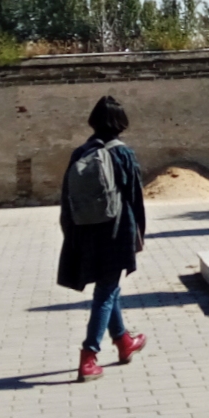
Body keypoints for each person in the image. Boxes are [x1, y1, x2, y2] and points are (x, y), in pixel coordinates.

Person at [56, 96, 149, 381]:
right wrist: (139, 235)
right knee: (106, 292)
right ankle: (89, 356)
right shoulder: (123, 154)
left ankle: (123, 341)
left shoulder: (80, 152)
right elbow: (135, 199)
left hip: (85, 230)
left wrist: (70, 234)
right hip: (115, 231)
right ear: (121, 122)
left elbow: (66, 200)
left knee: (109, 288)